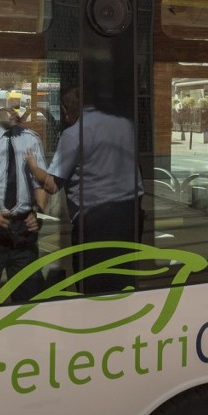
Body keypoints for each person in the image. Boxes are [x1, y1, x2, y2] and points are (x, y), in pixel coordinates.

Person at [44, 88, 144, 294]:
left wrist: (32, 165)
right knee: (124, 282)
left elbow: (52, 185)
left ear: (65, 111)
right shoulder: (125, 124)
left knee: (92, 285)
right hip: (130, 215)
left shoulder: (74, 134)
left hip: (95, 221)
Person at [0, 108, 49, 302]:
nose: (14, 113)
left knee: (28, 296)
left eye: (16, 109)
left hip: (22, 230)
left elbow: (40, 182)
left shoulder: (30, 139)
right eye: (8, 109)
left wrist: (38, 214)